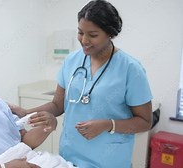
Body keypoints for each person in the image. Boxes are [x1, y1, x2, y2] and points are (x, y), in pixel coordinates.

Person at [10, 0, 153, 167]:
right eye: (80, 33)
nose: (84, 40)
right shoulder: (72, 61)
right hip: (70, 157)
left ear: (110, 33)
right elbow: (57, 105)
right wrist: (26, 112)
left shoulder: (130, 69)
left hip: (109, 161)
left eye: (92, 35)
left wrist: (108, 125)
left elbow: (145, 121)